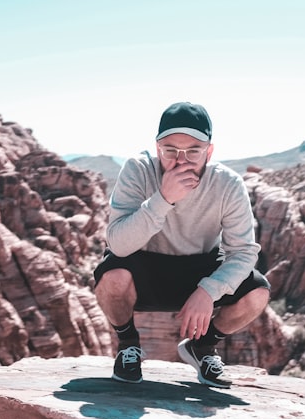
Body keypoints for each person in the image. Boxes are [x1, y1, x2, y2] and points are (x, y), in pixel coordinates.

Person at [93, 102, 270, 388]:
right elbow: (118, 244)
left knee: (257, 292)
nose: (181, 160)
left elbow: (244, 252)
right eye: (170, 150)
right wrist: (163, 199)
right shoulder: (138, 170)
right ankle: (128, 345)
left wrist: (208, 291)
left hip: (199, 267)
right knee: (112, 275)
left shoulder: (228, 184)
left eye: (193, 151)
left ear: (209, 151)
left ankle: (202, 347)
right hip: (144, 263)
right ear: (157, 147)